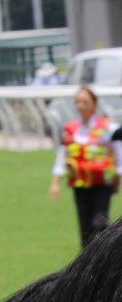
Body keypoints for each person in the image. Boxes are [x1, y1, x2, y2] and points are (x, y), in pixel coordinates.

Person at [48, 86, 122, 247]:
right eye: (77, 102)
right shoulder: (71, 129)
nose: (80, 105)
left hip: (102, 182)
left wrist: (118, 175)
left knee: (99, 223)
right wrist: (55, 182)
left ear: (94, 104)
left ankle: (105, 255)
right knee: (84, 228)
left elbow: (118, 150)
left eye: (84, 102)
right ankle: (87, 265)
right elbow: (62, 155)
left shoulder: (107, 127)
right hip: (80, 183)